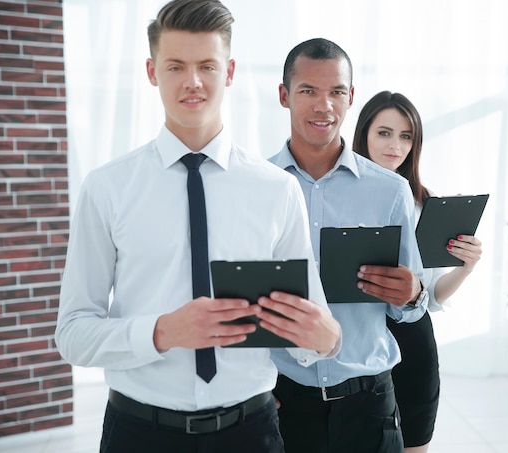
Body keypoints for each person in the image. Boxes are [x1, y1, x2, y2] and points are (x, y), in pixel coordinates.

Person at [54, 2, 341, 452]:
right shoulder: (107, 188)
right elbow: (72, 333)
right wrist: (162, 332)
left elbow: (311, 325)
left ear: (228, 71)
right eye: (176, 66)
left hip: (252, 432)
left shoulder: (276, 190)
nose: (192, 81)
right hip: (138, 434)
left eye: (206, 65)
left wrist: (326, 340)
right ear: (152, 71)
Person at [268, 38, 428, 453]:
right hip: (283, 407)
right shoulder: (256, 188)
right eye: (308, 91)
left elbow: (409, 309)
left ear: (351, 97)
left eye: (336, 91)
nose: (324, 106)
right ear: (284, 95)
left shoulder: (391, 190)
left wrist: (412, 294)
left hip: (368, 407)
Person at [353, 90, 483, 453]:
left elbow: (432, 295)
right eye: (384, 133)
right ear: (363, 134)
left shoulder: (424, 203)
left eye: (406, 135)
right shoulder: (336, 196)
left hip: (413, 342)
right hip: (355, 341)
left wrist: (466, 268)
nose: (395, 145)